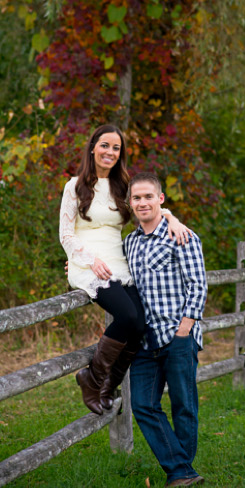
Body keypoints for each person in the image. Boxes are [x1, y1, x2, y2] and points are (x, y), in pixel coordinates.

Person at [60, 124, 191, 415]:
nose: (110, 152)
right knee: (128, 315)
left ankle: (108, 386)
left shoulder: (123, 186)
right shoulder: (75, 186)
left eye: (116, 148)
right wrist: (87, 259)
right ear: (93, 147)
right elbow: (66, 235)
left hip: (119, 263)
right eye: (105, 145)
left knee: (140, 324)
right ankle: (92, 379)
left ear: (120, 154)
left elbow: (148, 203)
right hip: (90, 264)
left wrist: (172, 218)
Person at [124, 172, 209, 488]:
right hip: (144, 340)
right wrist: (77, 264)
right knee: (142, 404)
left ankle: (181, 472)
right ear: (130, 203)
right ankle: (183, 470)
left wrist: (184, 330)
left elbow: (198, 284)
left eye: (148, 196)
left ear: (160, 199)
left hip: (177, 334)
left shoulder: (182, 235)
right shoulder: (129, 243)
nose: (142, 202)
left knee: (184, 404)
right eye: (137, 198)